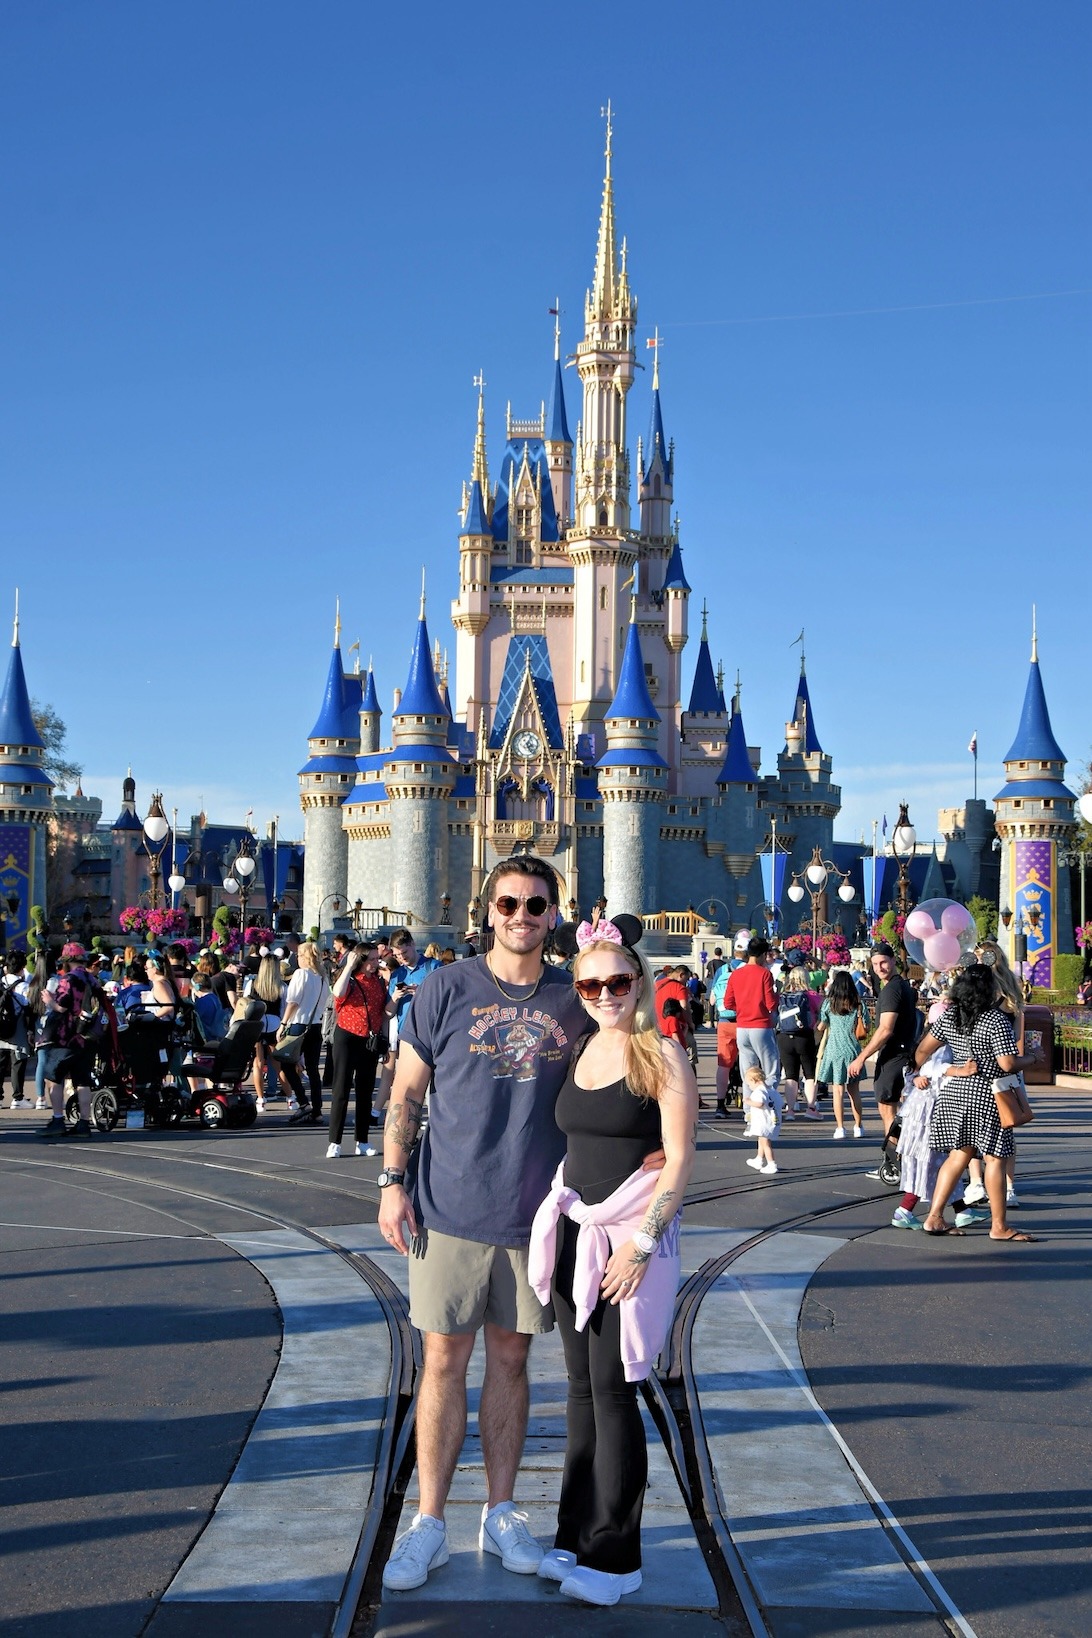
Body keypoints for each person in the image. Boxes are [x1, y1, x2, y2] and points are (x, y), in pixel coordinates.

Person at [377, 857, 591, 1594]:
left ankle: (500, 1513)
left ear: (554, 915)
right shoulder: (446, 987)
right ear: (487, 908)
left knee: (510, 1361)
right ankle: (429, 1521)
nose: (521, 916)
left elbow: (635, 1052)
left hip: (535, 1217)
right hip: (450, 1206)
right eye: (509, 903)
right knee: (441, 1362)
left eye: (536, 905)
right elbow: (408, 1091)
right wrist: (391, 1182)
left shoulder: (576, 999)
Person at [526, 917, 697, 1607]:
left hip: (627, 1242)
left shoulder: (663, 1055)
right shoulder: (582, 1051)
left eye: (617, 981)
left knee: (616, 1391)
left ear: (639, 982)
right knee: (579, 1390)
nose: (604, 993)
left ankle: (616, 1556)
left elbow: (680, 1158)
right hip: (574, 1233)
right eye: (591, 983)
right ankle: (574, 1534)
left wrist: (643, 1243)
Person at [915, 964, 1036, 1241]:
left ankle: (934, 1217)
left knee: (958, 1155)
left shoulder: (950, 1016)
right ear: (989, 989)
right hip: (986, 1094)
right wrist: (1031, 1059)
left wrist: (917, 1073)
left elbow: (923, 1050)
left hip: (954, 1093)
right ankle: (999, 1226)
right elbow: (1006, 1063)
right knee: (994, 1157)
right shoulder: (995, 1019)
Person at [847, 942, 919, 1139]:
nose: (879, 968)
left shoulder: (891, 990)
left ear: (893, 961)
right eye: (875, 964)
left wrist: (861, 1057)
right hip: (903, 1052)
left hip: (893, 1055)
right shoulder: (902, 986)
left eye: (883, 962)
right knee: (893, 1111)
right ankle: (898, 1161)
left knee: (889, 1112)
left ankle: (893, 1163)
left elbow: (885, 1029)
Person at [327, 941, 392, 1157]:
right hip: (347, 1036)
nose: (375, 963)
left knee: (365, 1091)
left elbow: (382, 1013)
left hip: (369, 1039)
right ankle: (334, 1142)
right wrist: (348, 965)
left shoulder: (379, 983)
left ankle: (362, 1140)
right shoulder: (351, 979)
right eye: (371, 959)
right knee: (341, 1089)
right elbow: (337, 993)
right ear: (361, 960)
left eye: (376, 959)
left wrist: (384, 1040)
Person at [281, 942, 331, 1125]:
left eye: (299, 956)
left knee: (286, 1063)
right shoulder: (322, 977)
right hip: (316, 1025)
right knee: (313, 1070)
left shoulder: (301, 974)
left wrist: (283, 1022)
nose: (297, 959)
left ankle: (303, 1102)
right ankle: (317, 1110)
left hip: (299, 1024)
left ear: (305, 957)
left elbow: (293, 1001)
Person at [722, 937, 779, 1088]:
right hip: (761, 1026)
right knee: (771, 1071)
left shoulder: (736, 974)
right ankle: (769, 1103)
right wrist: (778, 994)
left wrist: (742, 1007)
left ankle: (749, 1109)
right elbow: (771, 1004)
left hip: (742, 1027)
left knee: (748, 1073)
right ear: (762, 955)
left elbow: (727, 1003)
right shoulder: (765, 974)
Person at [816, 970, 865, 1139]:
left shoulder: (829, 1004)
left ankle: (840, 1127)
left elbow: (821, 1026)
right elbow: (865, 1024)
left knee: (838, 1091)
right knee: (854, 1091)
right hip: (853, 1050)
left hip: (834, 1049)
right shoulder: (858, 1003)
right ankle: (858, 1126)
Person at [774, 965, 820, 1119]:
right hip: (804, 1036)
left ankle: (790, 1111)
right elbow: (820, 1014)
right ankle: (811, 1108)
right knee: (810, 1073)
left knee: (790, 1075)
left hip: (784, 1036)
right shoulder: (812, 995)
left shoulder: (782, 995)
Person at [245, 952, 285, 1109]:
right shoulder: (281, 987)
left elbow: (248, 1006)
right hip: (274, 1024)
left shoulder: (252, 983)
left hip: (257, 1025)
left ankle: (260, 1099)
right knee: (277, 1062)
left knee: (258, 1063)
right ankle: (289, 1096)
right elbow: (283, 1011)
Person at [743, 1065, 781, 1175]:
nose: (749, 1087)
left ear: (754, 1080)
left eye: (749, 1084)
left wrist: (748, 1101)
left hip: (764, 1121)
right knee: (761, 1140)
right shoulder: (771, 1090)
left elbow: (760, 1103)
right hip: (771, 1120)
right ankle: (759, 1159)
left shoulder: (759, 1092)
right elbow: (780, 1103)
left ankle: (771, 1164)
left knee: (765, 1143)